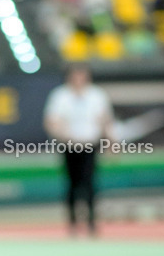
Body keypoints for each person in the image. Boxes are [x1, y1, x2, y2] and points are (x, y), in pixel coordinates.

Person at [43, 64, 114, 236]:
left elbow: (105, 119)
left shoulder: (96, 95)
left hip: (89, 144)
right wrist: (62, 135)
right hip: (69, 145)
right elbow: (51, 121)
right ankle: (73, 222)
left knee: (89, 183)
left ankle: (91, 221)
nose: (79, 80)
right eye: (76, 76)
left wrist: (111, 141)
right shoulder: (61, 96)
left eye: (82, 76)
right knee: (72, 184)